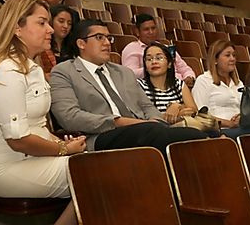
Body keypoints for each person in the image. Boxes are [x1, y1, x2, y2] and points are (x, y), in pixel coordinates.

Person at [0, 0, 87, 225]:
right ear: (17, 28)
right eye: (42, 22)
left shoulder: (32, 67)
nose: (50, 29)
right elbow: (18, 140)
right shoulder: (5, 70)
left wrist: (65, 146)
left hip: (35, 158)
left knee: (106, 164)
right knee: (98, 172)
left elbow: (36, 125)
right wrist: (63, 148)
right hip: (9, 166)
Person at [49, 19, 207, 156]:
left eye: (108, 38)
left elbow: (147, 106)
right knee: (156, 133)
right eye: (99, 38)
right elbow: (69, 117)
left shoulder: (123, 72)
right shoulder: (64, 72)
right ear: (81, 43)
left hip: (143, 129)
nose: (106, 43)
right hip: (100, 135)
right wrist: (118, 122)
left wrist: (155, 120)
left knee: (199, 134)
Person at [192, 40, 250, 138]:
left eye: (234, 55)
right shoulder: (203, 80)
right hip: (220, 130)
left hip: (242, 125)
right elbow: (201, 116)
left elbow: (245, 108)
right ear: (215, 60)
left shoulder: (238, 83)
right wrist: (229, 123)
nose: (232, 59)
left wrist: (242, 117)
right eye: (228, 55)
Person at [122, 13, 196, 87]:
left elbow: (184, 68)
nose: (151, 32)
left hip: (180, 85)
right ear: (137, 32)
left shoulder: (165, 47)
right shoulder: (131, 49)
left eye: (153, 28)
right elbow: (130, 74)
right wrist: (154, 67)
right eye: (146, 29)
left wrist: (189, 77)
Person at [138, 42, 198, 124]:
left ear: (169, 63)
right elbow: (141, 116)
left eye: (159, 58)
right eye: (149, 59)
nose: (154, 62)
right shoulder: (139, 86)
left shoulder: (179, 84)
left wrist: (178, 107)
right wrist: (173, 116)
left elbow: (194, 111)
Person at [38, 5, 75, 77]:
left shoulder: (73, 47)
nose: (66, 26)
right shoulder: (42, 47)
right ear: (51, 22)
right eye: (61, 21)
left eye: (69, 23)